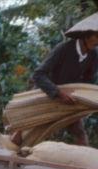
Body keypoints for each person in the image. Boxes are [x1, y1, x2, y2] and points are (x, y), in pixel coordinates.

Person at [28, 15, 98, 145]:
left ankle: (82, 163)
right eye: (97, 36)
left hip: (70, 99)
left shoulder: (94, 55)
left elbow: (89, 81)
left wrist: (83, 102)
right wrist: (58, 93)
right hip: (47, 95)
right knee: (28, 132)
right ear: (86, 36)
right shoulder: (63, 49)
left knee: (80, 133)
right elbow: (38, 74)